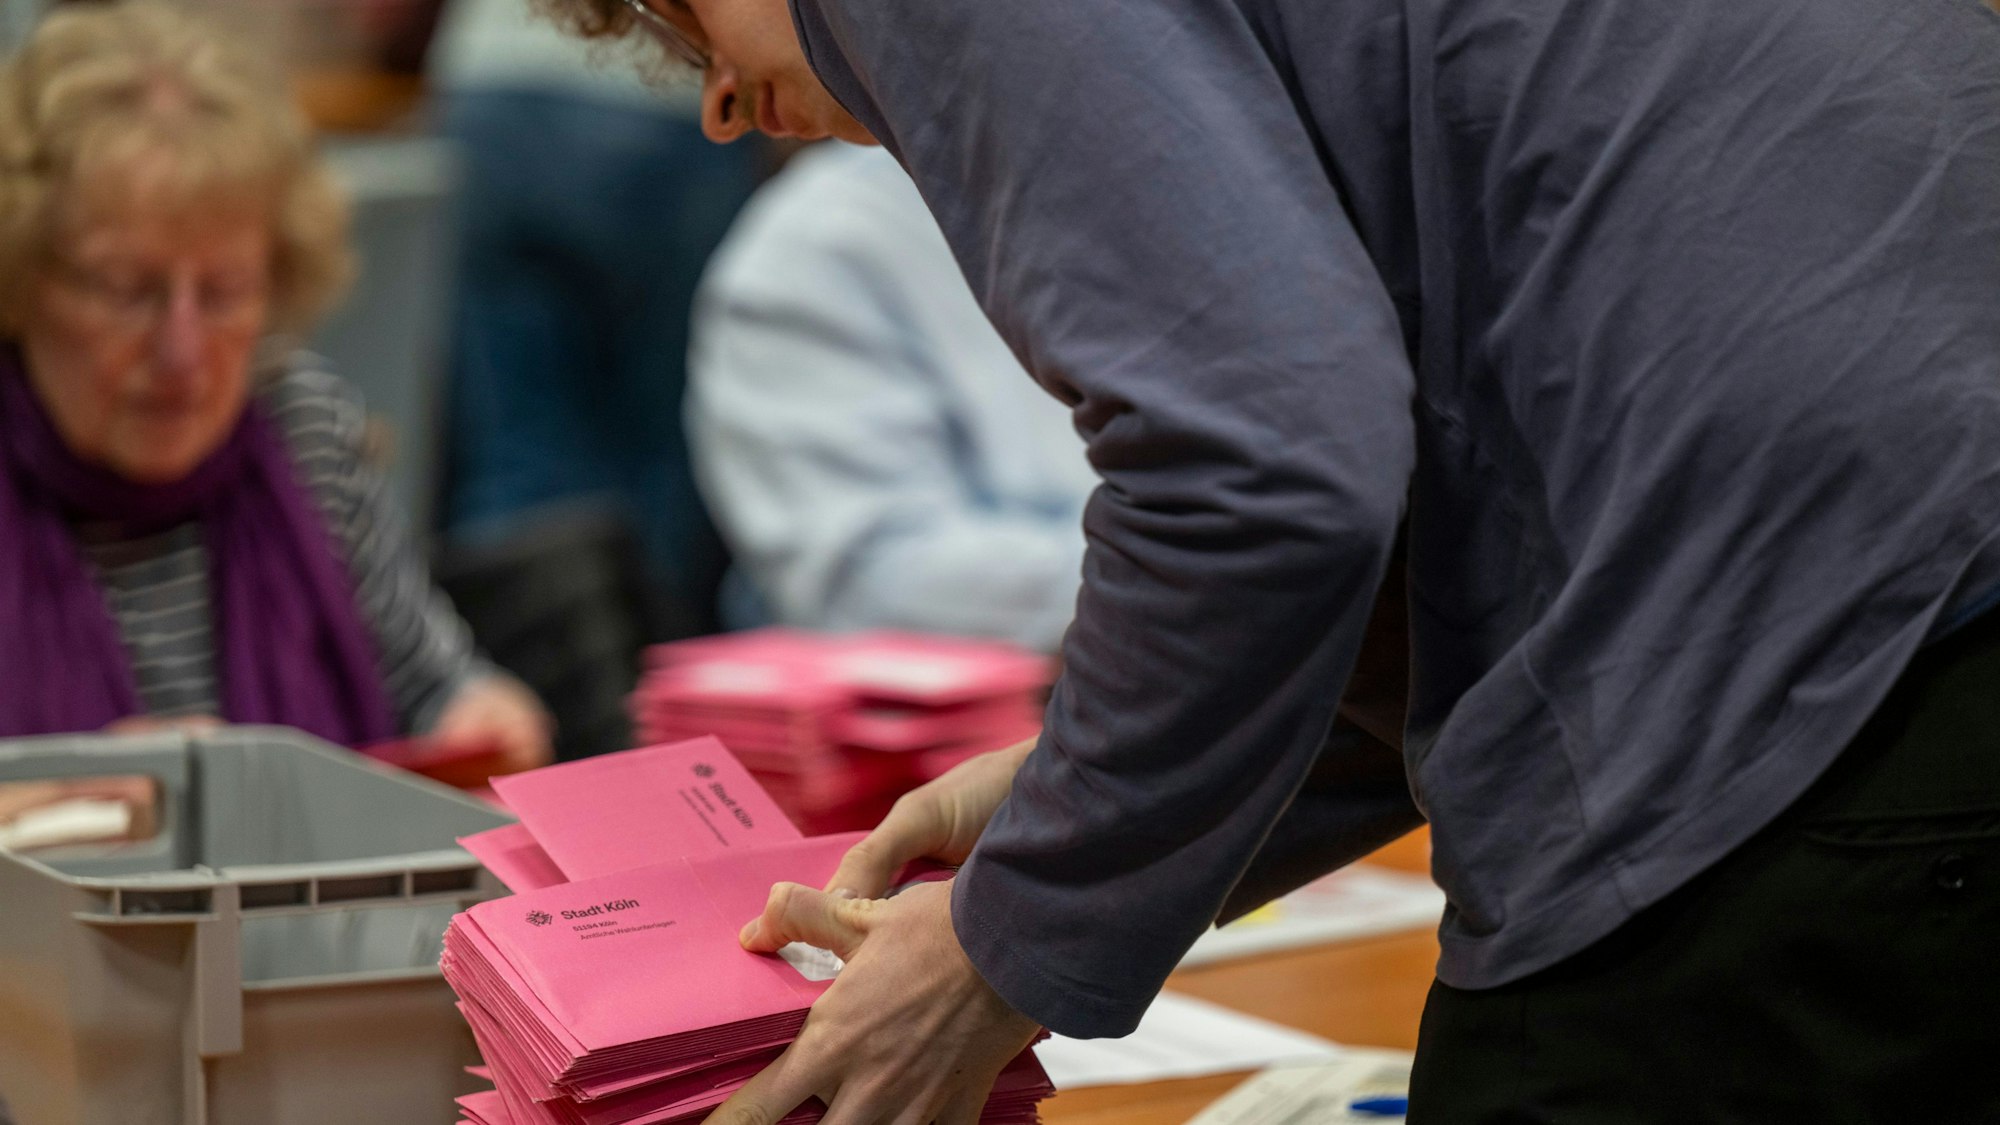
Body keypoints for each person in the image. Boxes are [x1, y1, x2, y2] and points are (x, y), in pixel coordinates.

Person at [544, 0, 2000, 1120]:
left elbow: (1264, 474)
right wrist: (1089, 802)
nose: (724, 112)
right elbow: (1380, 444)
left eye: (676, 28)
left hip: (1820, 645)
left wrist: (1003, 944)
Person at [0, 4, 552, 766]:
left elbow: (429, 682)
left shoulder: (296, 421)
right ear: (22, 277)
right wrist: (55, 794)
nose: (183, 349)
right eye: (127, 290)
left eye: (226, 292)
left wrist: (484, 711)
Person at [429, 0, 765, 634]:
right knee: (661, 460)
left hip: (489, 85)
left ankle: (533, 702)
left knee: (513, 455)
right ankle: (631, 711)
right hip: (667, 89)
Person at [688, 141, 1093, 650]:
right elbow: (869, 585)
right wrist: (1182, 563)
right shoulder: (822, 242)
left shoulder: (1162, 189)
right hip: (1010, 700)